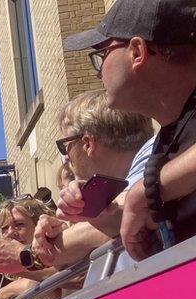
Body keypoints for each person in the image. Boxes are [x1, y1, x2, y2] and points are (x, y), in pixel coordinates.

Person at [62, 0, 196, 260]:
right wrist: (97, 211)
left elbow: (147, 195)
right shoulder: (168, 139)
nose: (98, 75)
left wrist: (149, 188)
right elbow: (144, 217)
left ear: (137, 51)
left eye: (102, 54)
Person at [27, 90, 154, 274]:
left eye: (65, 145)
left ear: (87, 143)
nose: (65, 158)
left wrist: (33, 253)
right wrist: (67, 224)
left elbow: (130, 214)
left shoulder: (154, 160)